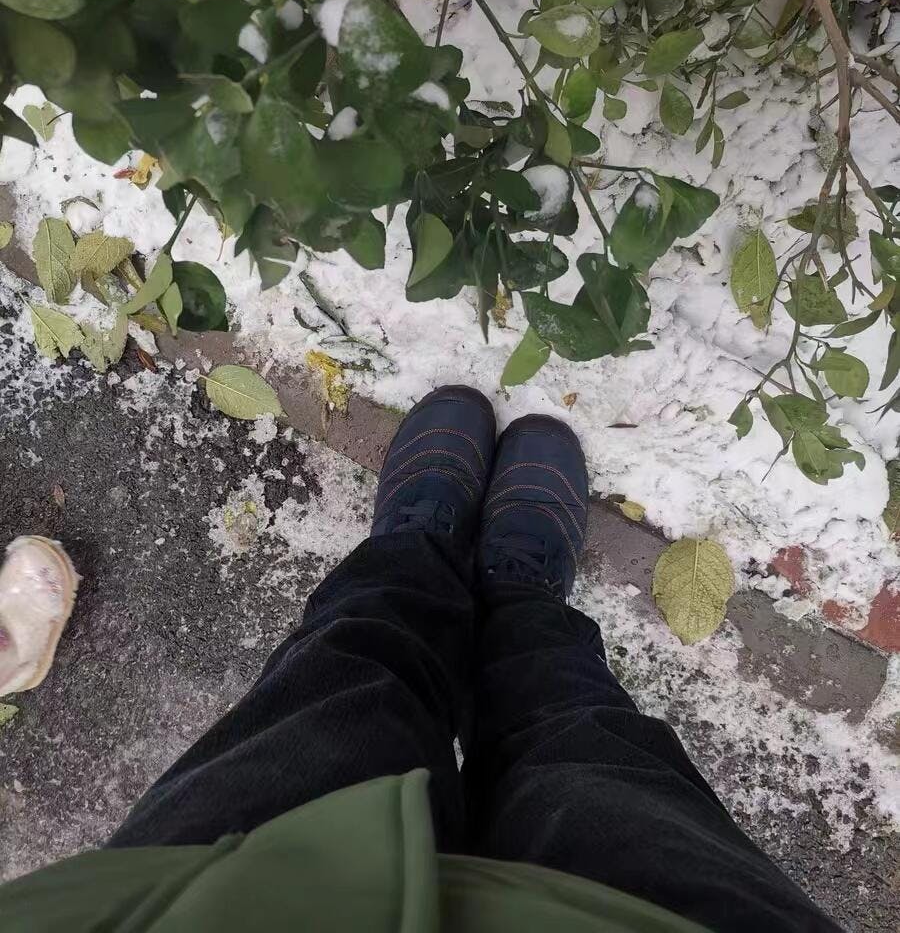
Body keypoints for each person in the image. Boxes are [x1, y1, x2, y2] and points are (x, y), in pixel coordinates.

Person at [1, 386, 841, 933]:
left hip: (219, 902)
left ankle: (415, 557)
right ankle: (520, 604)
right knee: (580, 746)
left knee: (348, 686)